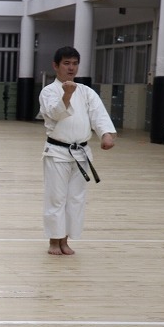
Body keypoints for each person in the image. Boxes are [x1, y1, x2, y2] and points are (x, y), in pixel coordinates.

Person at [39, 46, 116, 256]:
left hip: (81, 152)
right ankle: (54, 241)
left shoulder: (86, 92)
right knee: (56, 198)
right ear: (56, 66)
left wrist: (106, 134)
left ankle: (65, 240)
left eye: (74, 63)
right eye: (66, 63)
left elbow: (98, 114)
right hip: (57, 152)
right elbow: (54, 114)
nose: (71, 68)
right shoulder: (48, 91)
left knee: (76, 198)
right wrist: (66, 96)